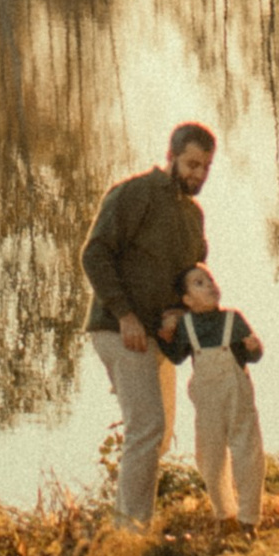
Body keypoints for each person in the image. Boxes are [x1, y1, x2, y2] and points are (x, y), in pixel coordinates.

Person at [80, 120, 216, 525]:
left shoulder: (193, 215)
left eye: (206, 167)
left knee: (160, 430)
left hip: (160, 336)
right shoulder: (135, 194)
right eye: (192, 164)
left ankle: (130, 523)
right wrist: (125, 315)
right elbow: (94, 255)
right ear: (170, 156)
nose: (198, 174)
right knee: (148, 425)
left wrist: (184, 310)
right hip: (119, 328)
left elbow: (191, 276)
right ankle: (131, 533)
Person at [158, 261, 266, 530]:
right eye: (199, 283)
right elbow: (177, 357)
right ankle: (224, 513)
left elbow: (251, 357)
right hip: (207, 399)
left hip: (236, 393)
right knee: (210, 454)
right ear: (187, 300)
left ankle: (249, 518)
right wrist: (166, 334)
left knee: (247, 450)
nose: (210, 286)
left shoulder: (233, 319)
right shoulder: (187, 326)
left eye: (210, 280)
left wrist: (254, 347)